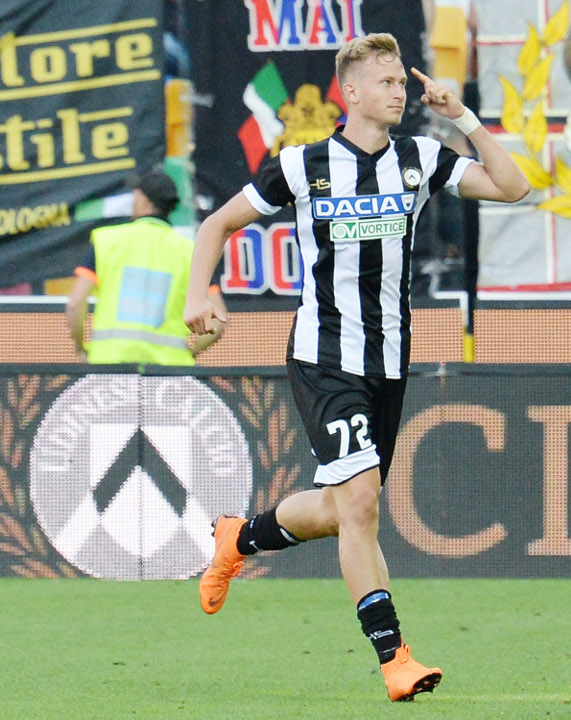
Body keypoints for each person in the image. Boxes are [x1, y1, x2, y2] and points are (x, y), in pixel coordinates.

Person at [182, 33, 529, 701]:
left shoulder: (420, 158)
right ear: (352, 92)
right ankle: (395, 658)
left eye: (402, 82)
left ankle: (239, 536)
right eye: (387, 82)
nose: (400, 92)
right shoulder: (301, 165)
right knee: (362, 503)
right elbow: (215, 225)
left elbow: (513, 186)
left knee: (344, 508)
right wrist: (200, 293)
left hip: (389, 360)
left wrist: (462, 117)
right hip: (324, 356)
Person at [66, 171, 225, 365]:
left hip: (108, 367)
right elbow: (218, 321)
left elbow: (75, 305)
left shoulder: (105, 240)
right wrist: (191, 353)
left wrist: (80, 347)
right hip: (170, 372)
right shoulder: (190, 252)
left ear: (143, 200)